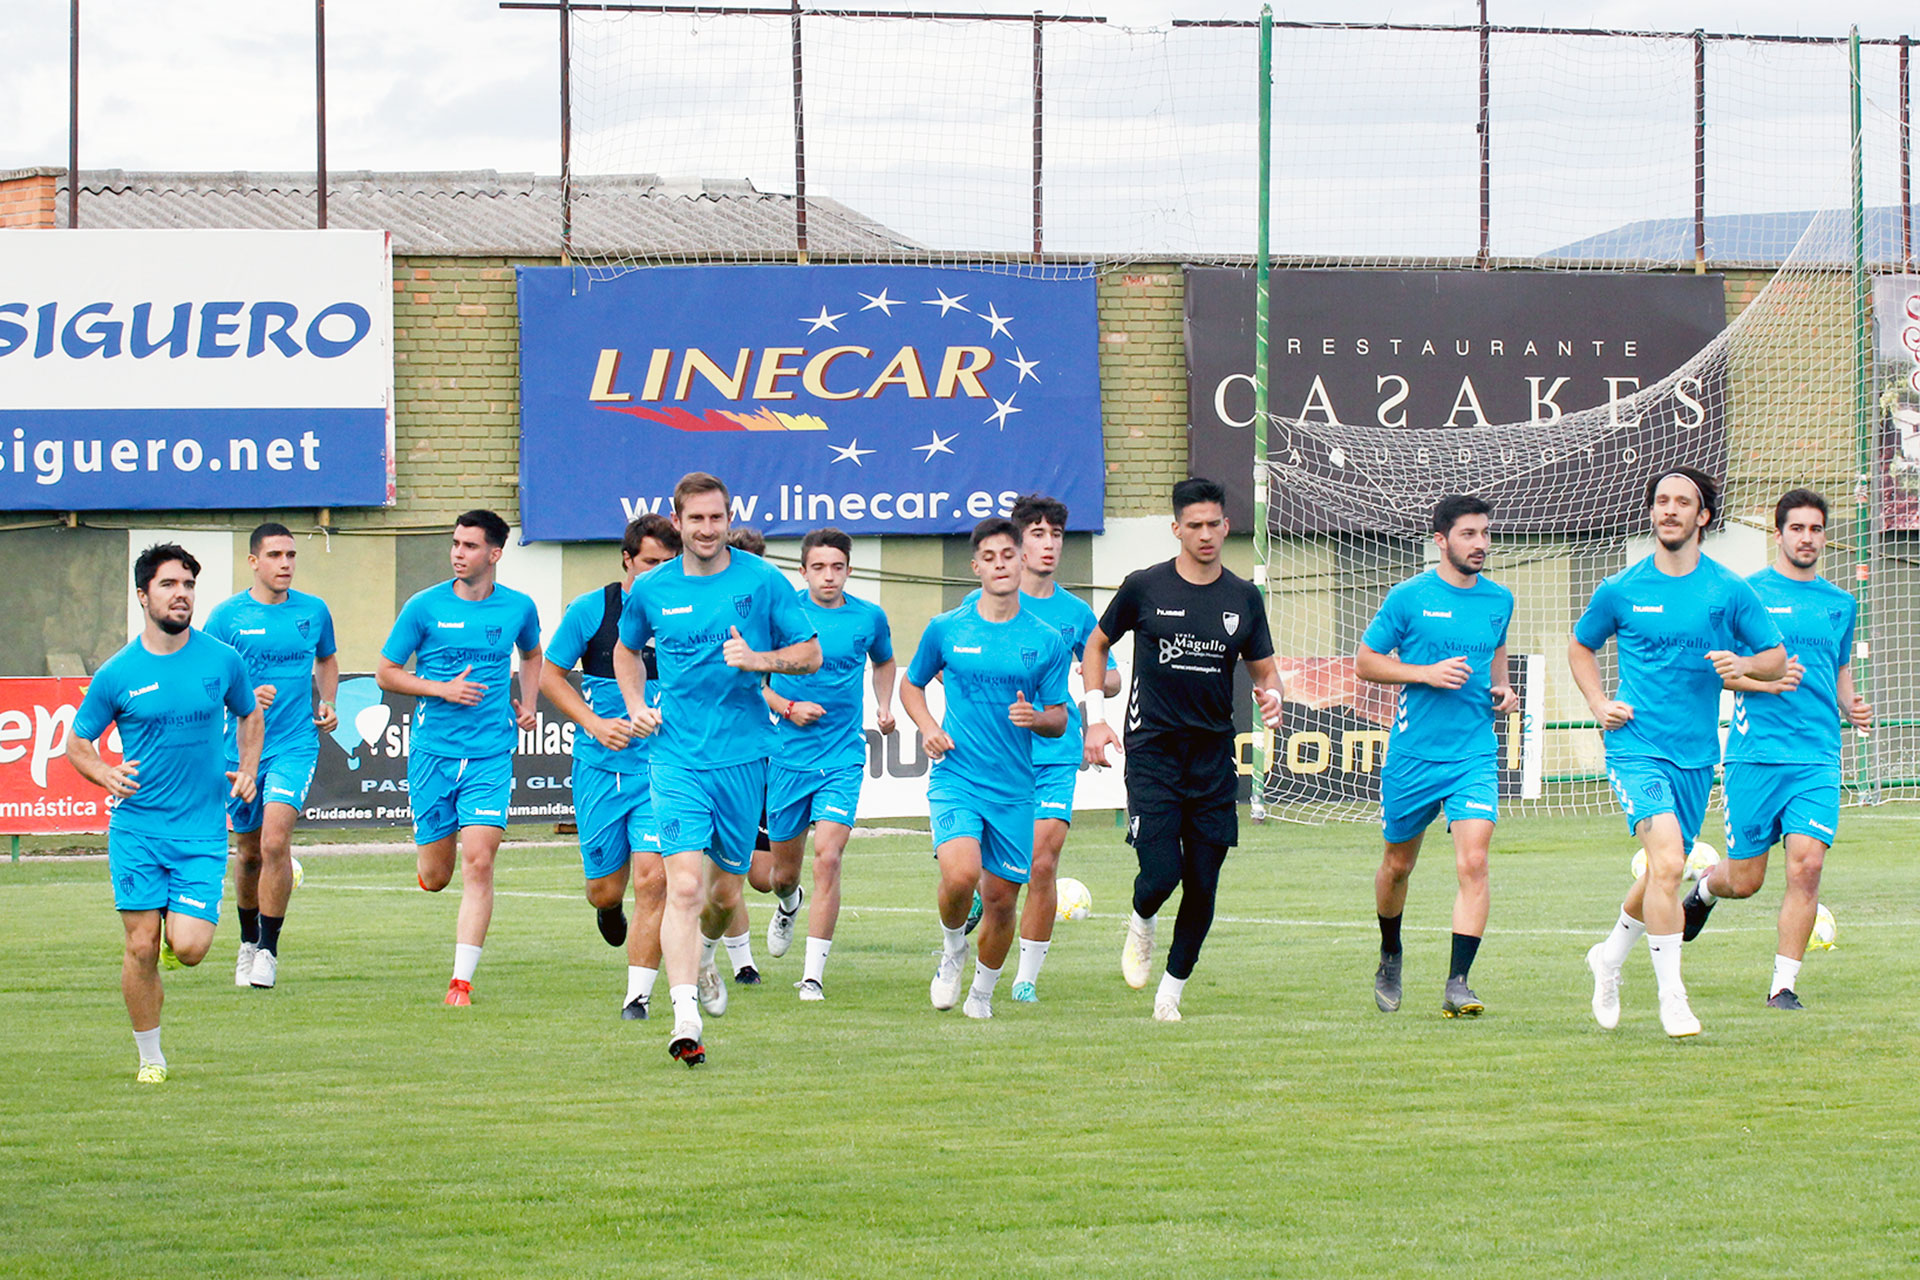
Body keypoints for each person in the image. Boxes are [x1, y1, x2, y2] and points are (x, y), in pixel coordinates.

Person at [614, 473, 819, 1066]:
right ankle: (684, 1019)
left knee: (726, 892)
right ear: (676, 523)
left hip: (745, 756)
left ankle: (705, 959)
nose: (707, 529)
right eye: (695, 519)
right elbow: (627, 651)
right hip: (675, 756)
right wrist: (635, 706)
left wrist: (759, 660)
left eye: (716, 518)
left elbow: (810, 654)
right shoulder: (652, 589)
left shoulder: (761, 581)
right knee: (681, 885)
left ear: (728, 519)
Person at [1573, 468, 1784, 1038]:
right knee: (1667, 863)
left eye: (1682, 502)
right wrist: (1598, 702)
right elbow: (1581, 646)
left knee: (1664, 873)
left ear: (1703, 516)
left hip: (1695, 758)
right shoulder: (1621, 588)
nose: (1670, 510)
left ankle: (1609, 957)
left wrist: (1742, 666)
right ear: (1652, 512)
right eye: (1661, 501)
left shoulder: (1728, 590)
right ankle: (1673, 1000)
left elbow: (1774, 656)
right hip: (1635, 746)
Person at [1083, 477, 1284, 1023]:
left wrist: (1273, 699)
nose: (1204, 534)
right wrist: (1095, 721)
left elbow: (1264, 670)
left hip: (1214, 758)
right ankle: (1141, 918)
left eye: (1213, 524)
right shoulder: (1145, 587)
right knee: (1160, 874)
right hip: (1153, 752)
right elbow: (1097, 644)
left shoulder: (1243, 597)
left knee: (1203, 882)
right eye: (1192, 525)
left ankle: (1170, 993)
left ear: (1225, 527)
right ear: (1176, 529)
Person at [67, 544, 263, 1082]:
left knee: (192, 948)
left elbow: (249, 715)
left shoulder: (223, 660)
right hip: (137, 831)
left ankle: (176, 937)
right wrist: (104, 773)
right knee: (139, 946)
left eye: (188, 585)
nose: (181, 595)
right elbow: (77, 742)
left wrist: (247, 767)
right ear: (143, 596)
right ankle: (150, 1059)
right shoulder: (118, 673)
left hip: (200, 831)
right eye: (169, 585)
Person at [1681, 488, 1873, 1009]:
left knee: (1807, 866)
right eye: (1797, 528)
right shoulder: (1747, 595)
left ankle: (1783, 986)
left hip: (1816, 758)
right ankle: (1702, 889)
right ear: (1778, 533)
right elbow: (1721, 672)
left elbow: (1836, 670)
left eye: (1815, 529)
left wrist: (1850, 704)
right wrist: (1763, 681)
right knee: (1745, 882)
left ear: (1824, 536)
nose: (1807, 538)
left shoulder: (1841, 603)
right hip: (1755, 756)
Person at [900, 517, 1071, 1021]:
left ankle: (981, 996)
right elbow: (912, 686)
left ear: (1021, 560)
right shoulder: (947, 628)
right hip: (958, 778)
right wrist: (929, 726)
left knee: (999, 901)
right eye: (989, 558)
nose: (1000, 564)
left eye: (1008, 555)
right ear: (976, 567)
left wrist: (1036, 718)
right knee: (961, 876)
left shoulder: (1045, 640)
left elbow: (1059, 718)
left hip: (1017, 791)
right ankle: (953, 948)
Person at [1355, 495, 1515, 1018]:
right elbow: (1365, 662)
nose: (1481, 544)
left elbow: (1496, 650)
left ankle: (1458, 982)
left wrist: (1504, 689)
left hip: (1473, 753)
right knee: (1398, 865)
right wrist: (1423, 673)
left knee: (1474, 861)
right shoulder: (1409, 597)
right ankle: (1390, 952)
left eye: (1486, 533)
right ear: (1441, 540)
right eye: (1469, 534)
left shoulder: (1499, 599)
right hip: (1414, 756)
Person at [377, 510, 543, 1006]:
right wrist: (440, 690)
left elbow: (532, 655)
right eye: (455, 543)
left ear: (494, 554)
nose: (457, 553)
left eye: (469, 545)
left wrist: (529, 705)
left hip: (491, 754)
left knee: (480, 862)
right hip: (433, 754)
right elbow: (386, 672)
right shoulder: (424, 607)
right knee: (437, 876)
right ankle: (429, 861)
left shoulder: (518, 608)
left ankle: (460, 982)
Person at [960, 494, 1120, 1003]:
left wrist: (1091, 679)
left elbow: (1109, 673)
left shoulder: (1074, 612)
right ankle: (983, 900)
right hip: (994, 755)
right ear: (1016, 544)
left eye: (1056, 535)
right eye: (1037, 534)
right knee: (993, 874)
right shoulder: (980, 605)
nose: (1048, 544)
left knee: (1043, 862)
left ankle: (1026, 977)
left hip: (1051, 752)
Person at [540, 513, 679, 1019]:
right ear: (627, 560)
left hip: (661, 773)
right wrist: (594, 723)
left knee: (654, 881)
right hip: (599, 769)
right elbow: (550, 677)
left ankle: (636, 997)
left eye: (670, 563)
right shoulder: (592, 610)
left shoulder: (685, 612)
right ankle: (607, 909)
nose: (660, 572)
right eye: (650, 563)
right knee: (604, 889)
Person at [760, 527, 897, 1000]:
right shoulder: (784, 616)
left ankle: (813, 975)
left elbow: (884, 661)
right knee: (783, 875)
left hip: (842, 757)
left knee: (830, 858)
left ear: (849, 570)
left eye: (837, 567)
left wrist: (883, 705)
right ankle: (787, 903)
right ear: (802, 571)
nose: (828, 576)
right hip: (786, 757)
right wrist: (786, 707)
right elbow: (755, 679)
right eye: (818, 567)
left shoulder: (869, 617)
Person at [204, 522, 339, 991]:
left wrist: (328, 701)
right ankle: (245, 942)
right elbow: (204, 679)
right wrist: (240, 697)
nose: (286, 564)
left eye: (291, 555)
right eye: (276, 555)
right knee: (247, 853)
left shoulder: (314, 611)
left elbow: (326, 659)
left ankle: (268, 950)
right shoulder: (226, 618)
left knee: (275, 843)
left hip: (295, 743)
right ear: (253, 562)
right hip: (240, 749)